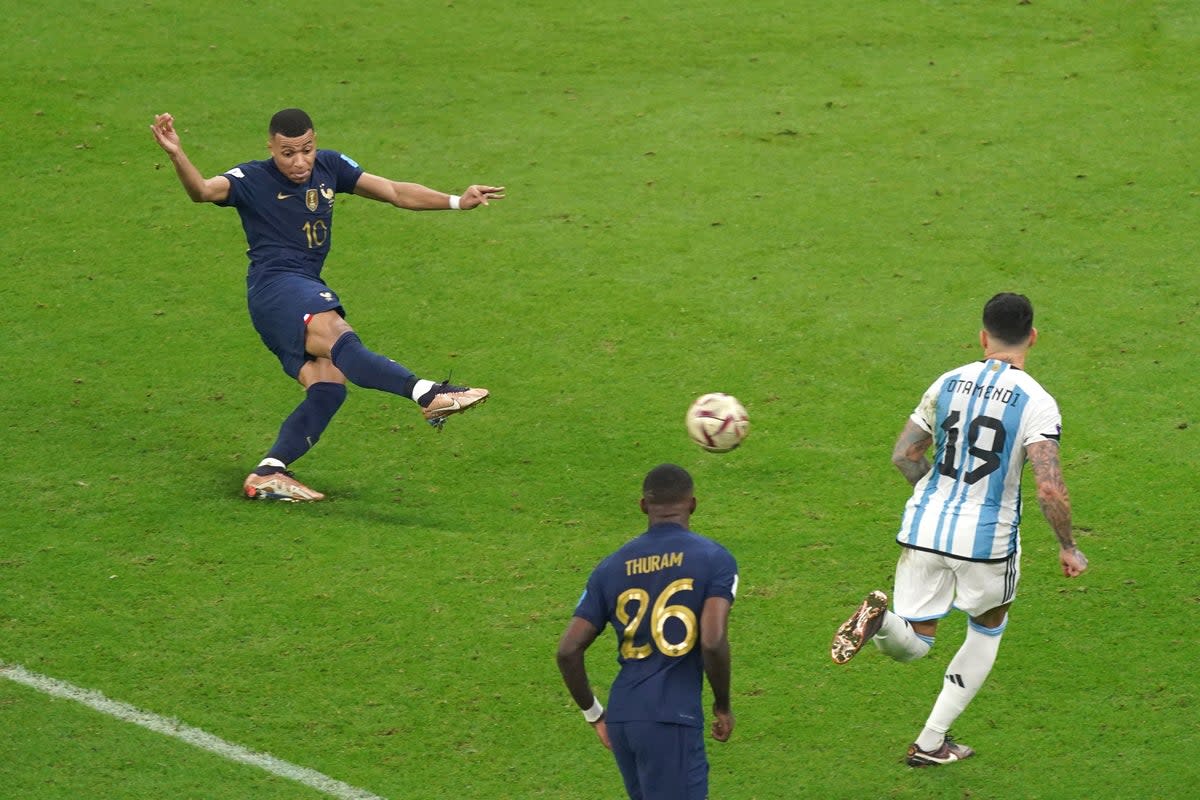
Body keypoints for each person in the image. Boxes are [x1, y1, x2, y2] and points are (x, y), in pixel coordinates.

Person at [150, 109, 503, 501]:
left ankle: (268, 471)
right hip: (278, 287)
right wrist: (177, 154)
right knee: (340, 336)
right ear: (270, 147)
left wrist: (457, 200)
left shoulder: (329, 166)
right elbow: (201, 190)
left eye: (307, 150)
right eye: (287, 153)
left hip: (297, 288)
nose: (299, 162)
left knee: (329, 385)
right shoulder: (250, 179)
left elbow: (395, 191)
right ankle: (428, 394)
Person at [830, 292, 1089, 767]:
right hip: (987, 541)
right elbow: (1050, 490)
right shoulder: (1037, 401)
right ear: (1032, 336)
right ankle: (930, 742)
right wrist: (1069, 546)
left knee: (914, 641)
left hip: (922, 527)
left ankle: (882, 622)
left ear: (982, 336)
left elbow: (903, 454)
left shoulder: (947, 382)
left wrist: (932, 491)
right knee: (987, 629)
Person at [556, 464, 738, 800]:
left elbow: (568, 651)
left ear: (643, 506)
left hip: (624, 718)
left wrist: (595, 715)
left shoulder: (610, 568)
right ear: (693, 504)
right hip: (672, 717)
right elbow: (712, 642)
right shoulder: (715, 559)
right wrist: (723, 706)